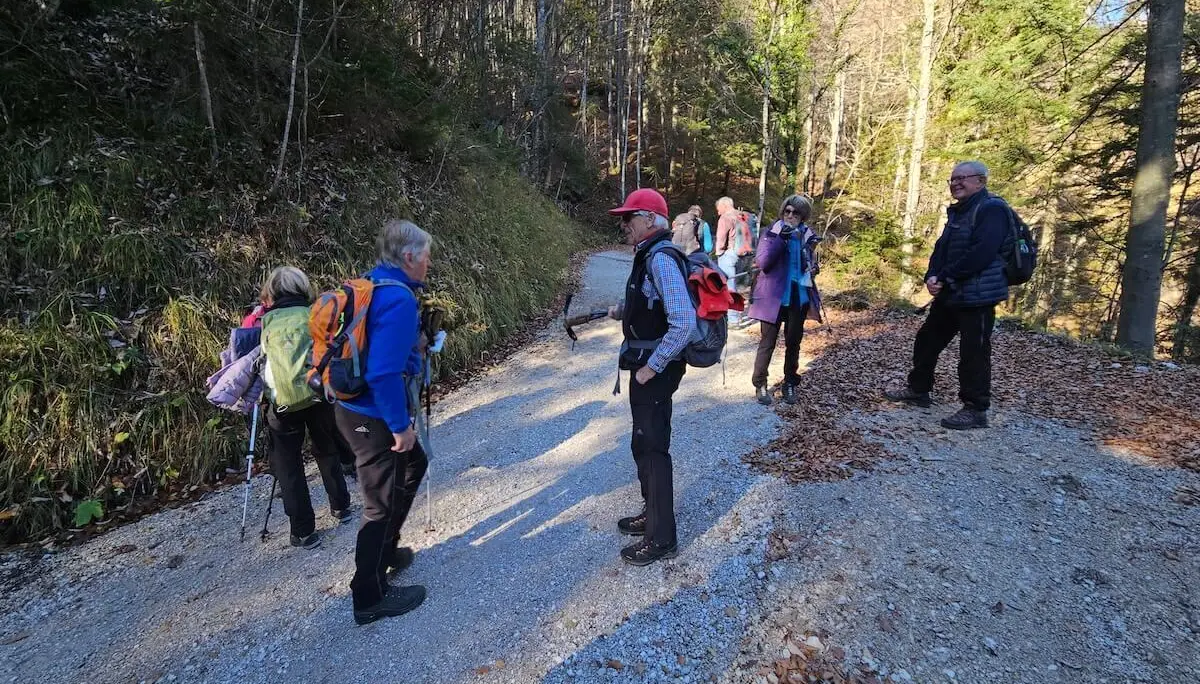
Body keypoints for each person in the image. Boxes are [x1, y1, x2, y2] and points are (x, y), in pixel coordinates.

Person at [335, 219, 431, 624]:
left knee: (414, 465)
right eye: (426, 256)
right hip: (372, 414)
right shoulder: (398, 300)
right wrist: (399, 427)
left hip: (352, 407)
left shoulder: (373, 283)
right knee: (379, 501)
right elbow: (382, 373)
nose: (429, 263)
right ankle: (369, 595)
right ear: (409, 257)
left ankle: (387, 549)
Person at [884, 160, 1013, 430]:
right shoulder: (959, 212)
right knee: (927, 339)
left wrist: (944, 277)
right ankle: (919, 390)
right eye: (953, 179)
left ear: (981, 181)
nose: (956, 183)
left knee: (974, 352)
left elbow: (982, 252)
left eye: (962, 178)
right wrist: (931, 276)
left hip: (978, 296)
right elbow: (942, 250)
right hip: (952, 294)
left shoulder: (992, 210)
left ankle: (976, 408)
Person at [606, 188, 695, 566]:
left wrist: (651, 366)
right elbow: (654, 302)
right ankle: (651, 514)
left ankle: (661, 538)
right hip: (647, 369)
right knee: (642, 444)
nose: (624, 224)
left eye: (629, 217)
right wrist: (623, 312)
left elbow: (684, 322)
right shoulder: (650, 256)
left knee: (653, 448)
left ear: (650, 220)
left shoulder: (660, 259)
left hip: (653, 372)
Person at [258, 266, 353, 549]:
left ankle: (303, 531)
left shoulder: (266, 321)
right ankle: (341, 507)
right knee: (326, 448)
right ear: (303, 288)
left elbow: (263, 363)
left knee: (288, 463)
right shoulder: (314, 314)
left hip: (282, 403)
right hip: (317, 393)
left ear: (272, 292)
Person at [746, 195, 822, 406]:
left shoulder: (807, 235)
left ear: (803, 216)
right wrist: (781, 239)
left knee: (793, 343)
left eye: (795, 213)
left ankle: (790, 382)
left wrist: (813, 268)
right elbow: (763, 262)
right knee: (767, 343)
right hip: (772, 296)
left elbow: (812, 263)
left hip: (798, 297)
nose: (790, 216)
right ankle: (760, 383)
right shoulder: (771, 233)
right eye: (787, 211)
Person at [714, 197, 753, 325]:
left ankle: (732, 319)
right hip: (744, 254)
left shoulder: (725, 218)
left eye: (719, 208)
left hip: (729, 254)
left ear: (725, 206)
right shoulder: (742, 216)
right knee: (737, 286)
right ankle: (737, 314)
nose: (718, 212)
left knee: (728, 287)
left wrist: (719, 252)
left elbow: (721, 238)